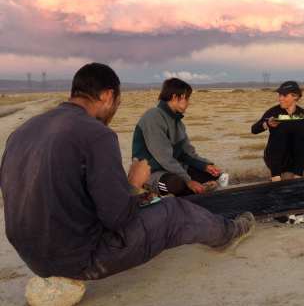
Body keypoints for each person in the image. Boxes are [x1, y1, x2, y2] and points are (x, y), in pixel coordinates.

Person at [0, 63, 254, 281]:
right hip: (77, 258)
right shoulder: (96, 134)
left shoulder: (23, 131)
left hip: (31, 257)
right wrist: (133, 183)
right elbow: (117, 218)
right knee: (175, 212)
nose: (114, 111)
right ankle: (229, 234)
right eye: (117, 103)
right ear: (108, 95)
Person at [132, 78, 225, 196]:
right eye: (186, 98)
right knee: (177, 184)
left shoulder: (177, 122)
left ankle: (191, 194)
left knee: (213, 176)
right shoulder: (153, 117)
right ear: (175, 97)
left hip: (172, 170)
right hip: (149, 174)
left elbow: (188, 153)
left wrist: (206, 166)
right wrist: (188, 181)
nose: (188, 102)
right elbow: (164, 157)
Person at [251, 81, 304, 181]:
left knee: (301, 138)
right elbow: (254, 129)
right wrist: (267, 124)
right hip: (276, 159)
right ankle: (276, 177)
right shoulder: (274, 112)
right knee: (280, 136)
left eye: (284, 95)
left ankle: (297, 177)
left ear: (295, 96)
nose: (280, 98)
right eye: (279, 95)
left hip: (297, 161)